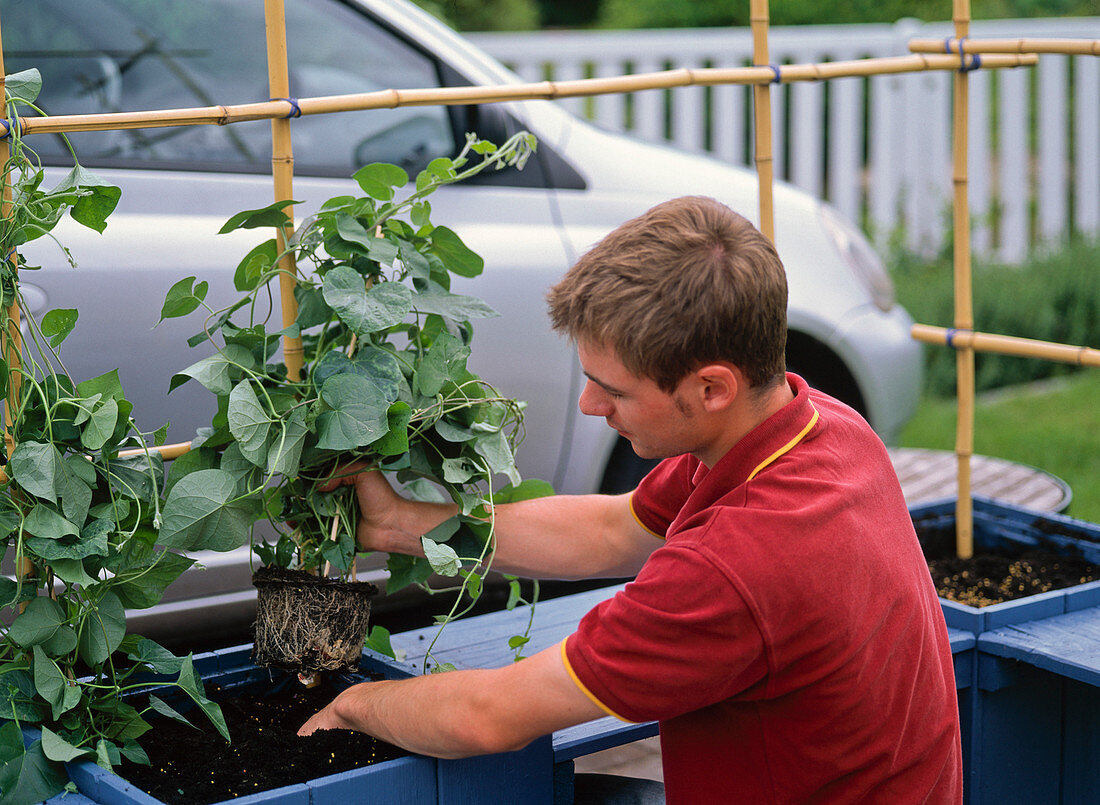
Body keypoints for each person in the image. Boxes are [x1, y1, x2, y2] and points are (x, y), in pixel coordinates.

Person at [298, 196, 963, 804]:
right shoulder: (821, 430)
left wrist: (356, 705)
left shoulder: (735, 568)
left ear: (712, 388)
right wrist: (404, 524)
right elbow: (613, 530)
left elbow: (489, 715)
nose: (591, 405)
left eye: (612, 389)